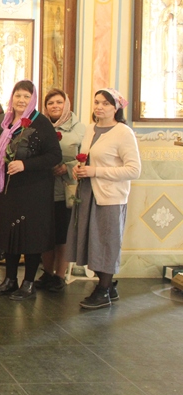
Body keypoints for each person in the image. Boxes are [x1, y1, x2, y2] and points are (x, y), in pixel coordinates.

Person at [66, 89, 140, 309]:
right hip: (87, 193)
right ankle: (108, 285)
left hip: (109, 197)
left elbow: (133, 170)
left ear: (116, 107)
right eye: (96, 102)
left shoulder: (123, 133)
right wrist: (79, 170)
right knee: (90, 241)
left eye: (106, 103)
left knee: (106, 242)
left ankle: (103, 290)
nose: (99, 107)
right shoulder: (91, 129)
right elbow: (88, 159)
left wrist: (95, 171)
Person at [0, 80, 62, 300]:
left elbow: (54, 156)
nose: (21, 100)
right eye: (18, 96)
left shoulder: (40, 123)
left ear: (33, 99)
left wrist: (25, 165)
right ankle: (10, 280)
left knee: (31, 236)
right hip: (11, 189)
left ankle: (28, 283)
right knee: (11, 234)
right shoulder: (9, 122)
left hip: (34, 190)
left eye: (26, 97)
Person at [32, 89, 86, 292]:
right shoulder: (40, 126)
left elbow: (86, 155)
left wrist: (68, 167)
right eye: (50, 103)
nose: (54, 106)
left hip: (66, 189)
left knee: (62, 234)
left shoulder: (79, 129)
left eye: (58, 102)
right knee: (46, 233)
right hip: (43, 188)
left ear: (66, 104)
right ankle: (47, 272)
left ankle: (59, 275)